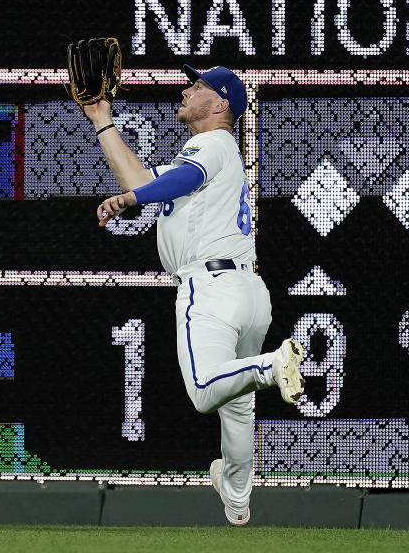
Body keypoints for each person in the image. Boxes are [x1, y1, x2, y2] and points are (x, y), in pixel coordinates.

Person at [88, 65, 305, 526]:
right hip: (250, 292)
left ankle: (271, 365)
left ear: (221, 105)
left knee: (205, 391)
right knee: (237, 409)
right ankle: (238, 493)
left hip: (208, 289)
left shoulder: (212, 144)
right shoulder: (215, 152)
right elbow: (143, 182)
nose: (187, 88)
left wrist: (130, 202)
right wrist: (101, 118)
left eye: (200, 86)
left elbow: (153, 190)